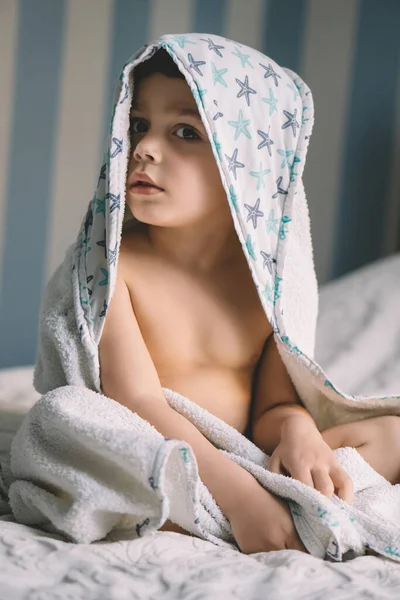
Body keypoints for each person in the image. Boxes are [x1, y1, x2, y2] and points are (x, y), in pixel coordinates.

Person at [98, 47, 400, 555]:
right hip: (164, 454)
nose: (144, 148)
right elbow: (137, 402)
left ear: (249, 167)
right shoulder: (115, 266)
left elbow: (274, 405)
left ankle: (300, 495)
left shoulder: (268, 284)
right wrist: (240, 499)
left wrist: (298, 432)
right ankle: (262, 509)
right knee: (65, 422)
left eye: (185, 131)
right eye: (139, 124)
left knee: (393, 435)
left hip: (249, 454)